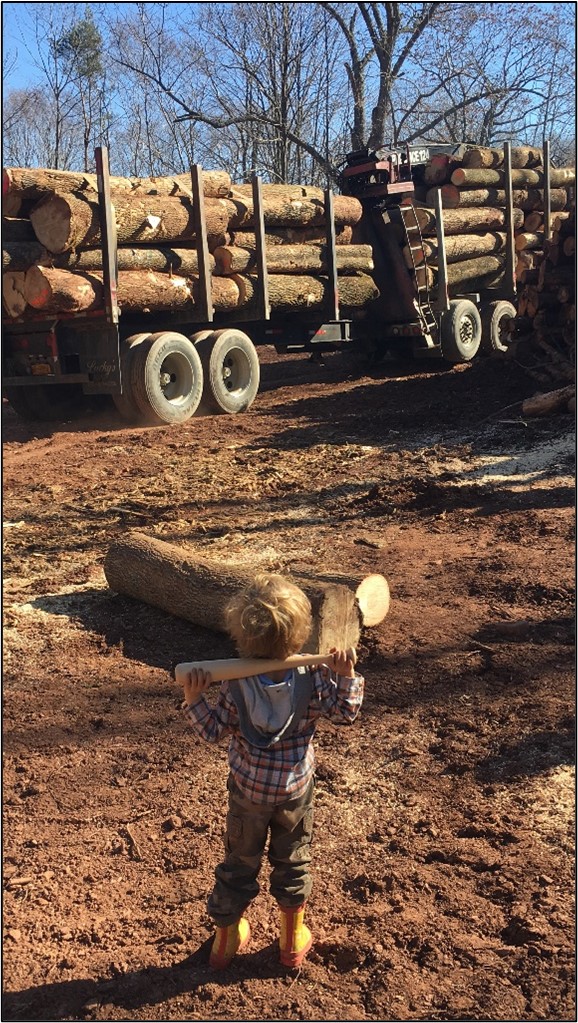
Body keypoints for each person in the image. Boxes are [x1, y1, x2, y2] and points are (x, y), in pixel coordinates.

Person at [180, 572, 364, 970]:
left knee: (239, 861)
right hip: (295, 792)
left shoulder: (236, 686)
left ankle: (226, 941)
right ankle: (290, 939)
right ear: (300, 637)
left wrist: (195, 698)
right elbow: (345, 714)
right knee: (293, 859)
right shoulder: (315, 677)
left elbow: (212, 732)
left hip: (248, 793)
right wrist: (345, 676)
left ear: (242, 638)